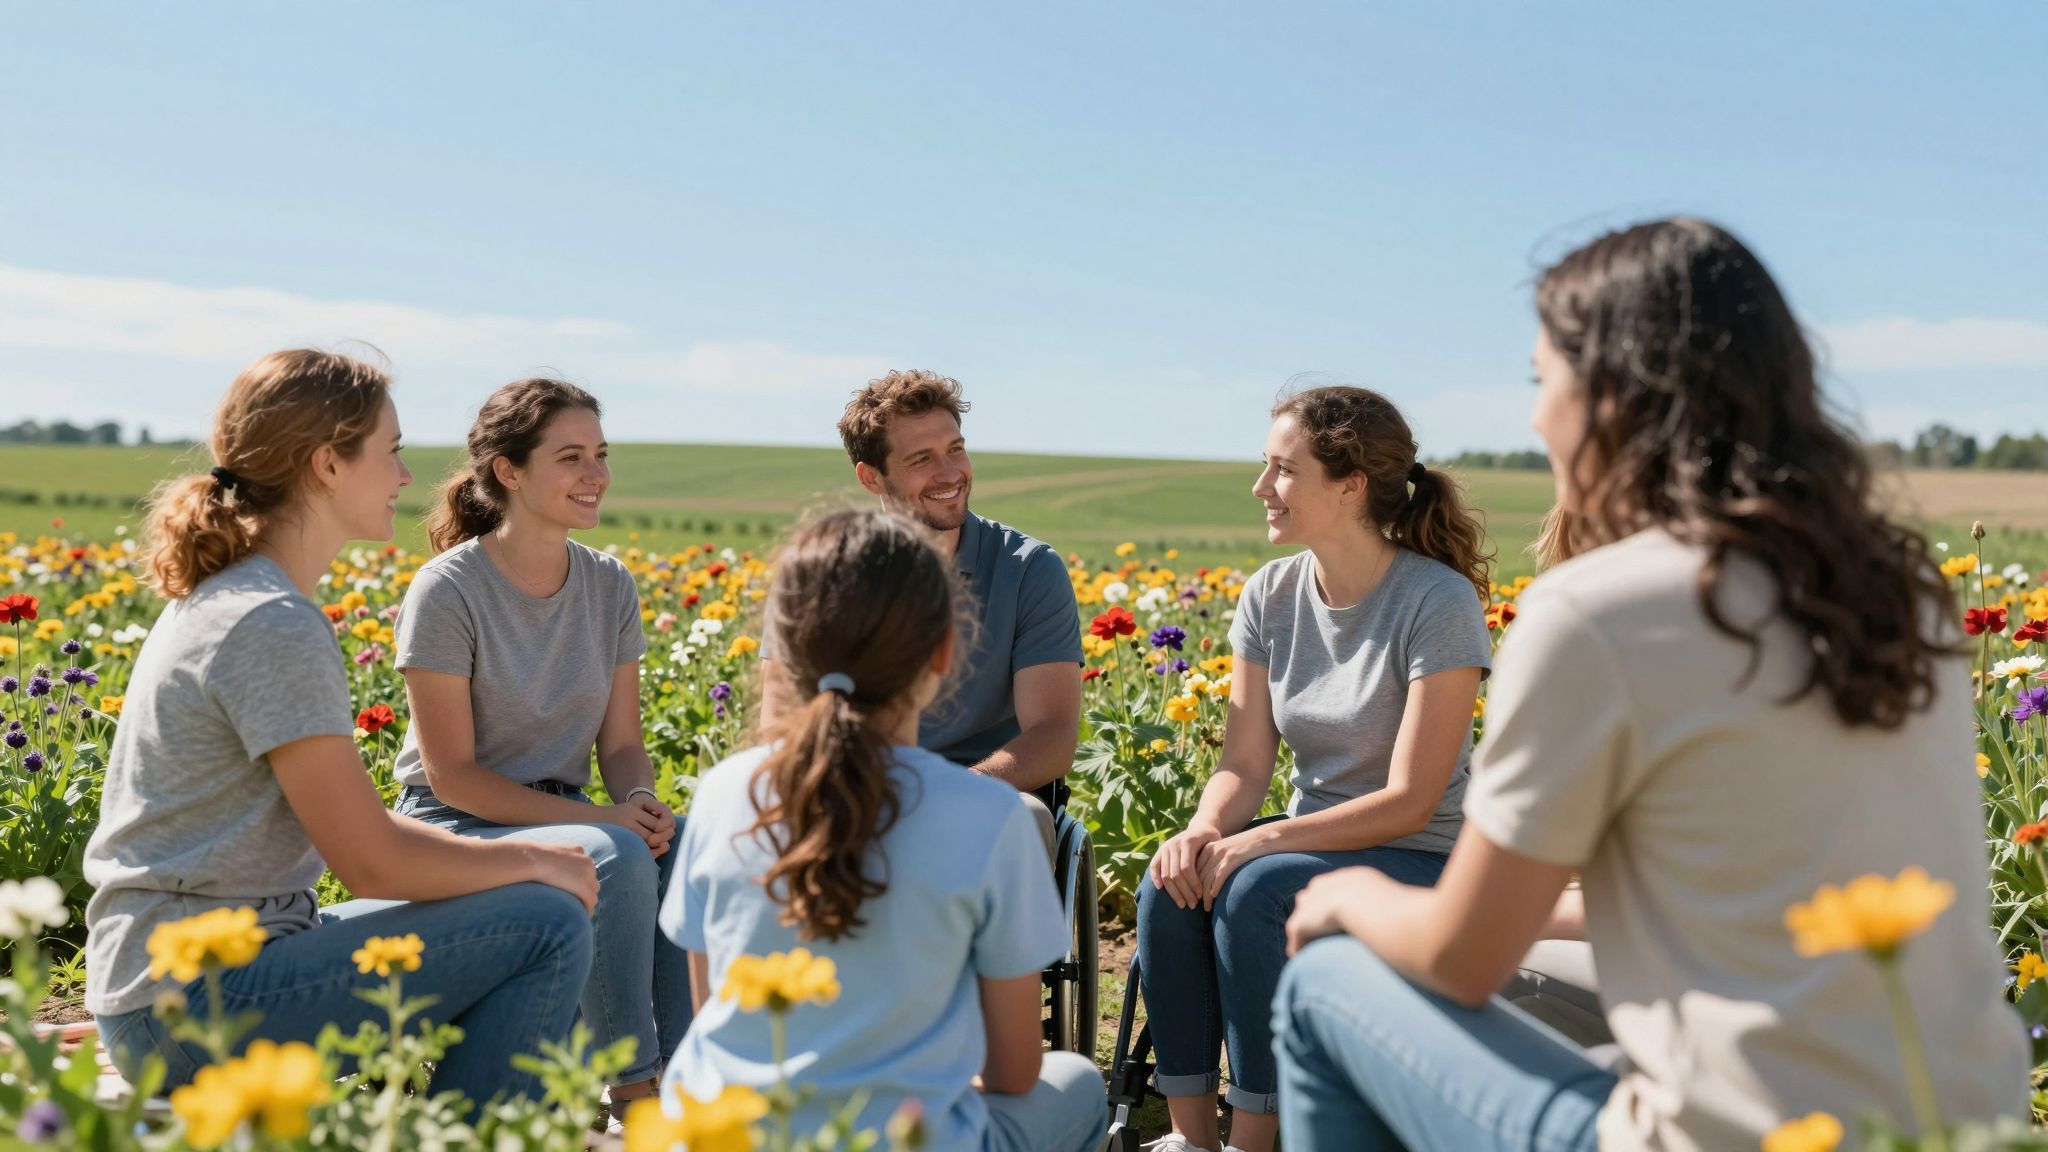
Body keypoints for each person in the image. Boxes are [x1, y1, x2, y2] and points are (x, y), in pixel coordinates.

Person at [1274, 217, 2031, 1150]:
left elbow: (1461, 959)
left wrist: (1345, 897)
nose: (1535, 417)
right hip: (1959, 1125)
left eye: (1541, 381)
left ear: (1610, 398)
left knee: (1324, 983)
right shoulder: (1898, 594)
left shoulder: (1598, 614)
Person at [84, 349, 598, 1107]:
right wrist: (540, 861)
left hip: (179, 981)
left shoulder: (240, 597)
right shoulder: (270, 620)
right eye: (388, 452)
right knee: (546, 920)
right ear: (328, 464)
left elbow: (356, 826)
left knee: (519, 900)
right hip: (192, 1005)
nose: (401, 476)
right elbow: (372, 863)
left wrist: (527, 857)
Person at [661, 508, 1107, 1152]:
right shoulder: (989, 816)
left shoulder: (725, 792)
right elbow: (1014, 1073)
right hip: (905, 1140)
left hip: (725, 1136)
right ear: (945, 651)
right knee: (1080, 1085)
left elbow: (713, 1020)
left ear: (787, 650)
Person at [1138, 386, 1494, 1152]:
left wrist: (1262, 843)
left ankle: (1255, 1141)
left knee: (1256, 888)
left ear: (1350, 485)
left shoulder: (1438, 601)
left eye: (1282, 471)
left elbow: (1410, 800)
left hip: (1422, 854)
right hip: (1308, 840)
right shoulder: (1270, 594)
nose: (1262, 489)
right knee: (1171, 882)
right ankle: (1189, 1139)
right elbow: (1242, 762)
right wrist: (1202, 832)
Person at [391, 377, 687, 1113]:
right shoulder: (447, 590)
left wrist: (640, 802)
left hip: (568, 811)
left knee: (678, 844)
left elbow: (621, 745)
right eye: (571, 458)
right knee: (614, 852)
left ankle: (692, 1080)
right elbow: (452, 776)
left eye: (601, 454)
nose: (596, 476)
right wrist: (607, 825)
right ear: (509, 471)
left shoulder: (610, 584)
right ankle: (635, 1091)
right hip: (453, 819)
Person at [759, 369, 1081, 859]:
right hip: (854, 790)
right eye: (921, 459)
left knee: (1028, 817)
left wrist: (953, 788)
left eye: (956, 448)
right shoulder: (822, 571)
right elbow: (779, 726)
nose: (950, 473)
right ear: (871, 477)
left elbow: (1054, 734)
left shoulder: (1029, 569)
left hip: (985, 792)